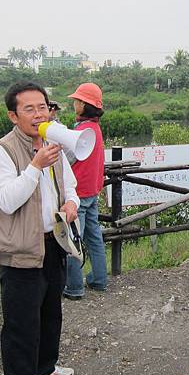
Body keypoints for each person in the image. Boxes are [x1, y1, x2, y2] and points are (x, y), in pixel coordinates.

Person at [0, 81, 79, 375]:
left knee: (51, 311)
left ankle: (44, 368)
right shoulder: (1, 152)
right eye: (29, 109)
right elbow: (8, 200)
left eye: (43, 107)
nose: (39, 114)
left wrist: (71, 204)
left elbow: (71, 186)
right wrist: (35, 167)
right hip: (21, 248)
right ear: (13, 116)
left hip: (53, 241)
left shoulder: (52, 143)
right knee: (21, 323)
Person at [63, 83, 107, 299]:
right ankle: (99, 280)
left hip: (77, 194)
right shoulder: (96, 129)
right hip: (92, 192)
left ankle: (74, 287)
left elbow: (66, 160)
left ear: (84, 105)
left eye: (77, 101)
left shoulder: (81, 131)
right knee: (94, 237)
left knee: (73, 241)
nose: (74, 103)